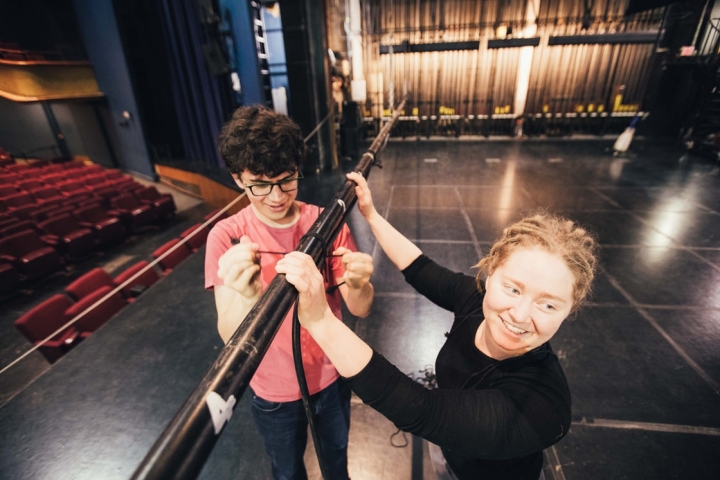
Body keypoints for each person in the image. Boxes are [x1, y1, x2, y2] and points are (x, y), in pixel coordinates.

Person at [275, 171, 598, 480]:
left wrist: (320, 320)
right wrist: (371, 214)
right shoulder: (475, 299)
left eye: (548, 304)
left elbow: (423, 411)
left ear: (569, 310)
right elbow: (418, 266)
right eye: (513, 288)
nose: (520, 314)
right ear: (490, 271)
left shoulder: (544, 406)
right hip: (447, 455)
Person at [204, 106, 375, 480]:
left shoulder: (325, 221)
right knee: (286, 471)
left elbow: (359, 309)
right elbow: (229, 337)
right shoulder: (226, 237)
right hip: (272, 391)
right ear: (238, 179)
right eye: (259, 185)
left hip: (331, 378)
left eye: (286, 181)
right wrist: (246, 296)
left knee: (337, 464)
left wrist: (360, 284)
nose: (276, 196)